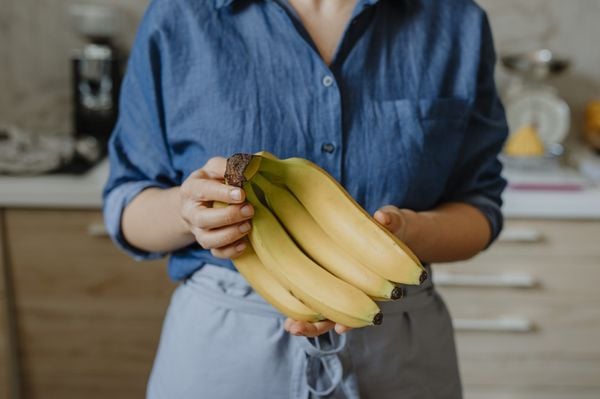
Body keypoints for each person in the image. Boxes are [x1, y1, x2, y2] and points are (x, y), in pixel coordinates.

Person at [103, 0, 508, 397]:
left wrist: (409, 233)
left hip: (397, 343)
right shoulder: (180, 15)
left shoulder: (456, 20)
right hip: (227, 348)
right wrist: (186, 212)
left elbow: (480, 205)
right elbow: (127, 203)